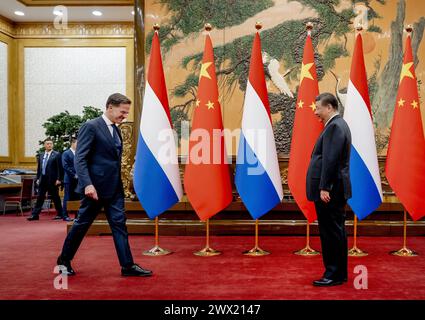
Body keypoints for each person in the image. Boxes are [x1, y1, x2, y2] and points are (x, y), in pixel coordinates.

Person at [57, 93, 152, 277]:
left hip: (114, 189)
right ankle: (63, 260)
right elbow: (80, 158)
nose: (124, 116)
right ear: (110, 107)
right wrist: (87, 184)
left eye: (126, 112)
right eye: (122, 112)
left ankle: (127, 266)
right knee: (81, 225)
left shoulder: (116, 130)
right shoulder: (91, 126)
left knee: (119, 225)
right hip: (95, 190)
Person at [306, 92, 352, 287]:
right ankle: (339, 273)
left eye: (318, 108)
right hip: (336, 188)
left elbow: (330, 160)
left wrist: (324, 187)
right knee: (336, 230)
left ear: (329, 107)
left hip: (330, 190)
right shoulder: (338, 125)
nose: (316, 112)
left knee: (330, 232)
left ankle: (332, 274)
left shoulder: (334, 127)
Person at [27, 138, 70, 221]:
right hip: (42, 179)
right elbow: (39, 168)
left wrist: (59, 179)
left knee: (55, 197)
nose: (49, 145)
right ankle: (35, 215)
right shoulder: (41, 155)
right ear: (44, 145)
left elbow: (59, 168)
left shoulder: (57, 154)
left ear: (52, 145)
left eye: (50, 143)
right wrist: (38, 178)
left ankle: (60, 214)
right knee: (40, 197)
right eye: (47, 144)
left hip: (53, 180)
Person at [62, 137, 80, 220]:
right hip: (69, 179)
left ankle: (77, 215)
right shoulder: (66, 153)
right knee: (67, 197)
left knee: (77, 197)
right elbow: (65, 166)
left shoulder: (79, 153)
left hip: (78, 180)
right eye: (77, 143)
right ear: (73, 143)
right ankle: (65, 215)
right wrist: (74, 175)